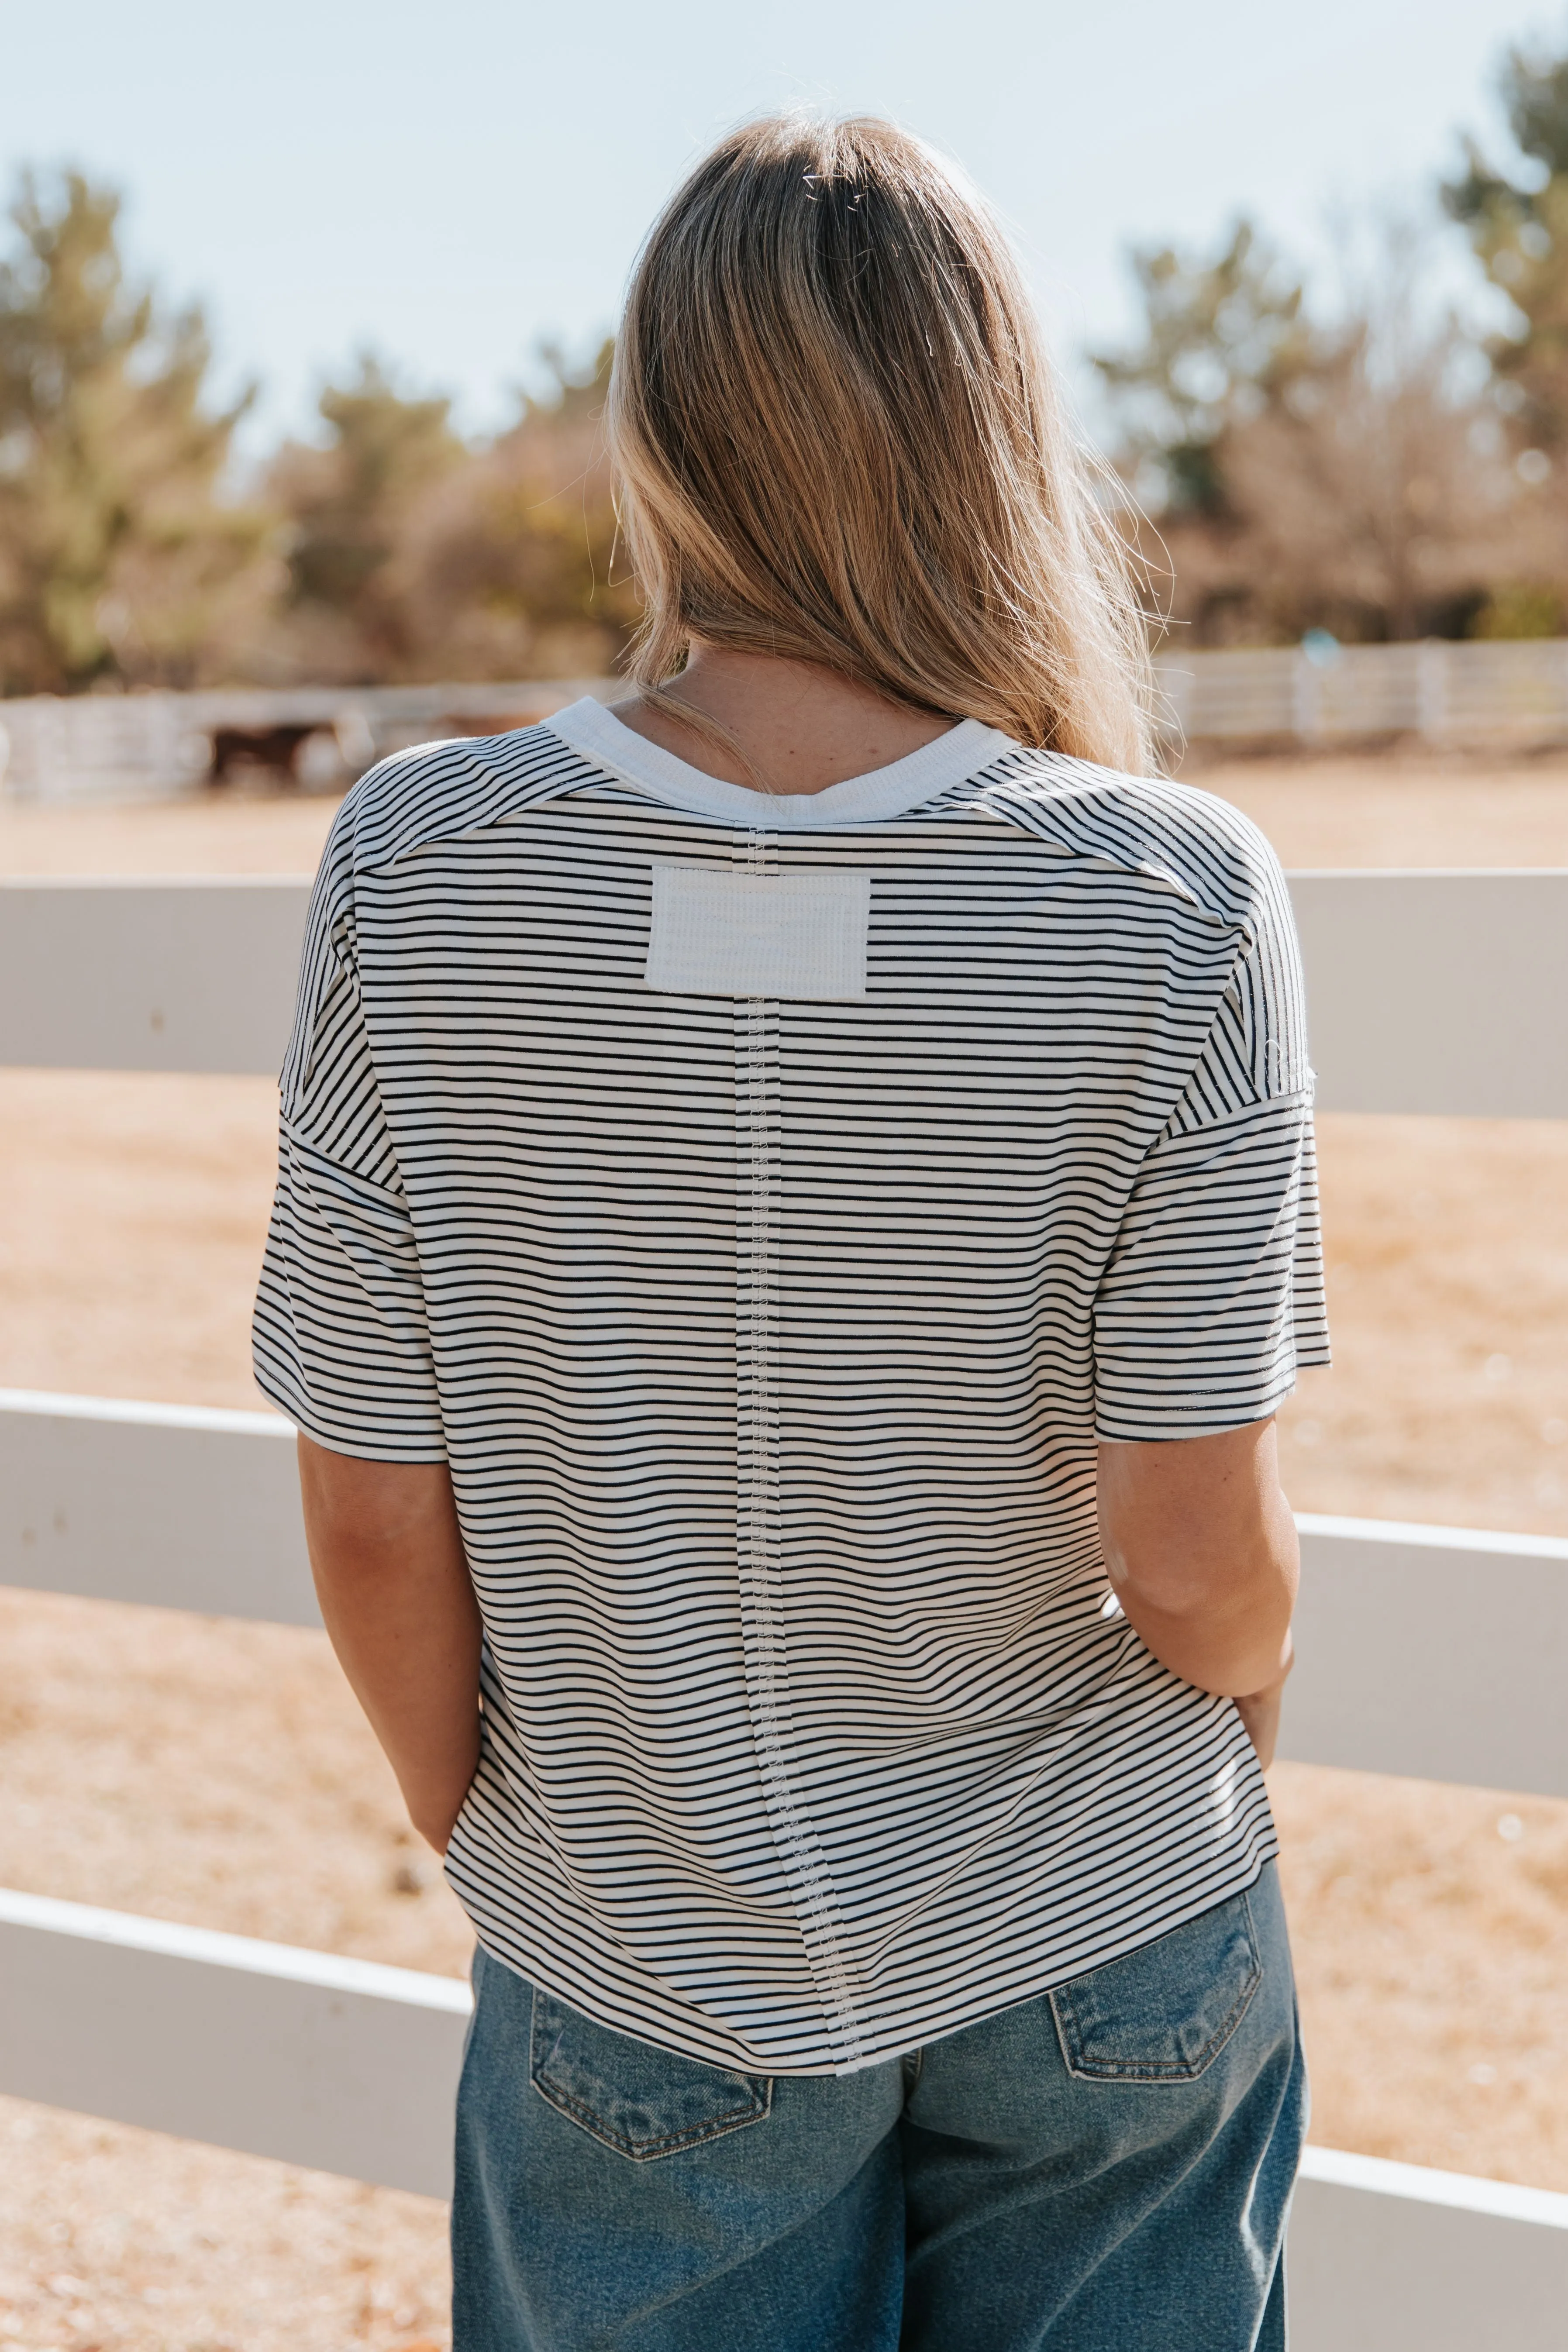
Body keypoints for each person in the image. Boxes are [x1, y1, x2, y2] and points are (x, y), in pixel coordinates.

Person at [253, 111, 1327, 2352]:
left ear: (662, 433)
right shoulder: (1167, 893)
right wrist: (1249, 1699)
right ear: (992, 433)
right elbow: (1193, 1543)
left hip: (635, 1939)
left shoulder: (417, 862)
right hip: (1100, 1924)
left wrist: (521, 1844)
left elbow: (369, 1504)